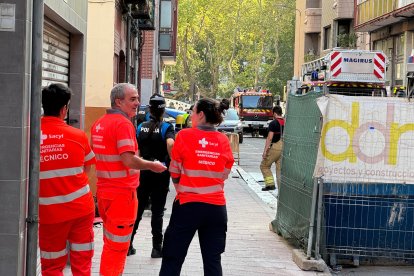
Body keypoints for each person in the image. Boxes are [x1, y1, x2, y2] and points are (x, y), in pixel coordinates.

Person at [91, 83, 167, 276]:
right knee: (117, 248)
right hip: (121, 196)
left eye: (137, 98)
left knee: (110, 244)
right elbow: (128, 160)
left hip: (105, 193)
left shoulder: (99, 123)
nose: (138, 103)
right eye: (132, 99)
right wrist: (152, 165)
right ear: (119, 101)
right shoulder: (123, 124)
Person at [159, 98, 234, 276]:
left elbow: (175, 170)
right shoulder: (223, 140)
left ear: (200, 115)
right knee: (212, 261)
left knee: (173, 258)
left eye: (193, 112)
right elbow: (225, 172)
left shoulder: (184, 136)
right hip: (216, 209)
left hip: (187, 206)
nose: (191, 116)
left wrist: (182, 187)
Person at [39, 83, 95, 275]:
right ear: (64, 109)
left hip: (48, 214)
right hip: (81, 209)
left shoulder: (30, 135)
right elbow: (87, 167)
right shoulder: (77, 135)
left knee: (52, 265)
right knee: (82, 262)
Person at [128, 93, 175, 258]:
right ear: (163, 110)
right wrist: (172, 160)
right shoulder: (166, 127)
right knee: (157, 212)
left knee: (138, 210)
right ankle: (156, 248)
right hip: (161, 173)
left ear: (150, 109)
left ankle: (128, 245)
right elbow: (170, 143)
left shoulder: (141, 126)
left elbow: (136, 150)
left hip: (143, 172)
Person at [260, 105, 285, 191]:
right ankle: (281, 192)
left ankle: (270, 184)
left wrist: (265, 152)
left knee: (264, 166)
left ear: (274, 113)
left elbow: (269, 138)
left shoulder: (273, 123)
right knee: (279, 170)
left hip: (275, 147)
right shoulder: (286, 122)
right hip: (284, 148)